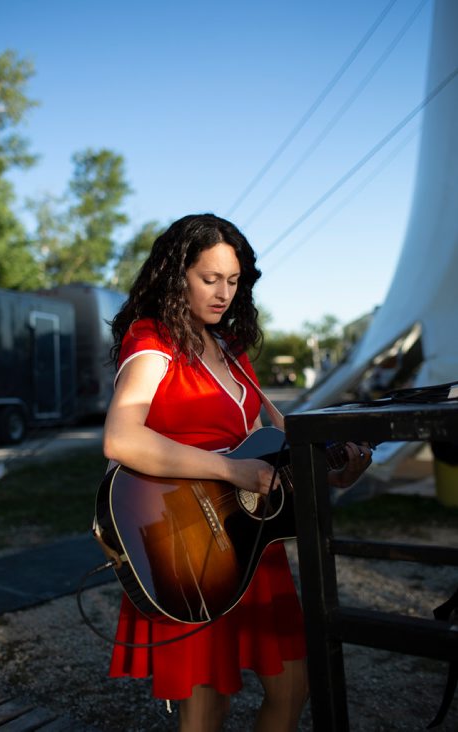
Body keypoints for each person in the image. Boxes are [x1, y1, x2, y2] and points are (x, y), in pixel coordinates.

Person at [102, 213, 372, 732]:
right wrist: (230, 470)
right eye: (210, 279)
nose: (223, 293)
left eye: (233, 281)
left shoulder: (232, 351)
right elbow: (120, 438)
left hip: (251, 542)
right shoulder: (152, 341)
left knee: (294, 685)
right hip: (187, 539)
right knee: (207, 704)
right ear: (175, 275)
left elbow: (279, 446)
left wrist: (337, 471)